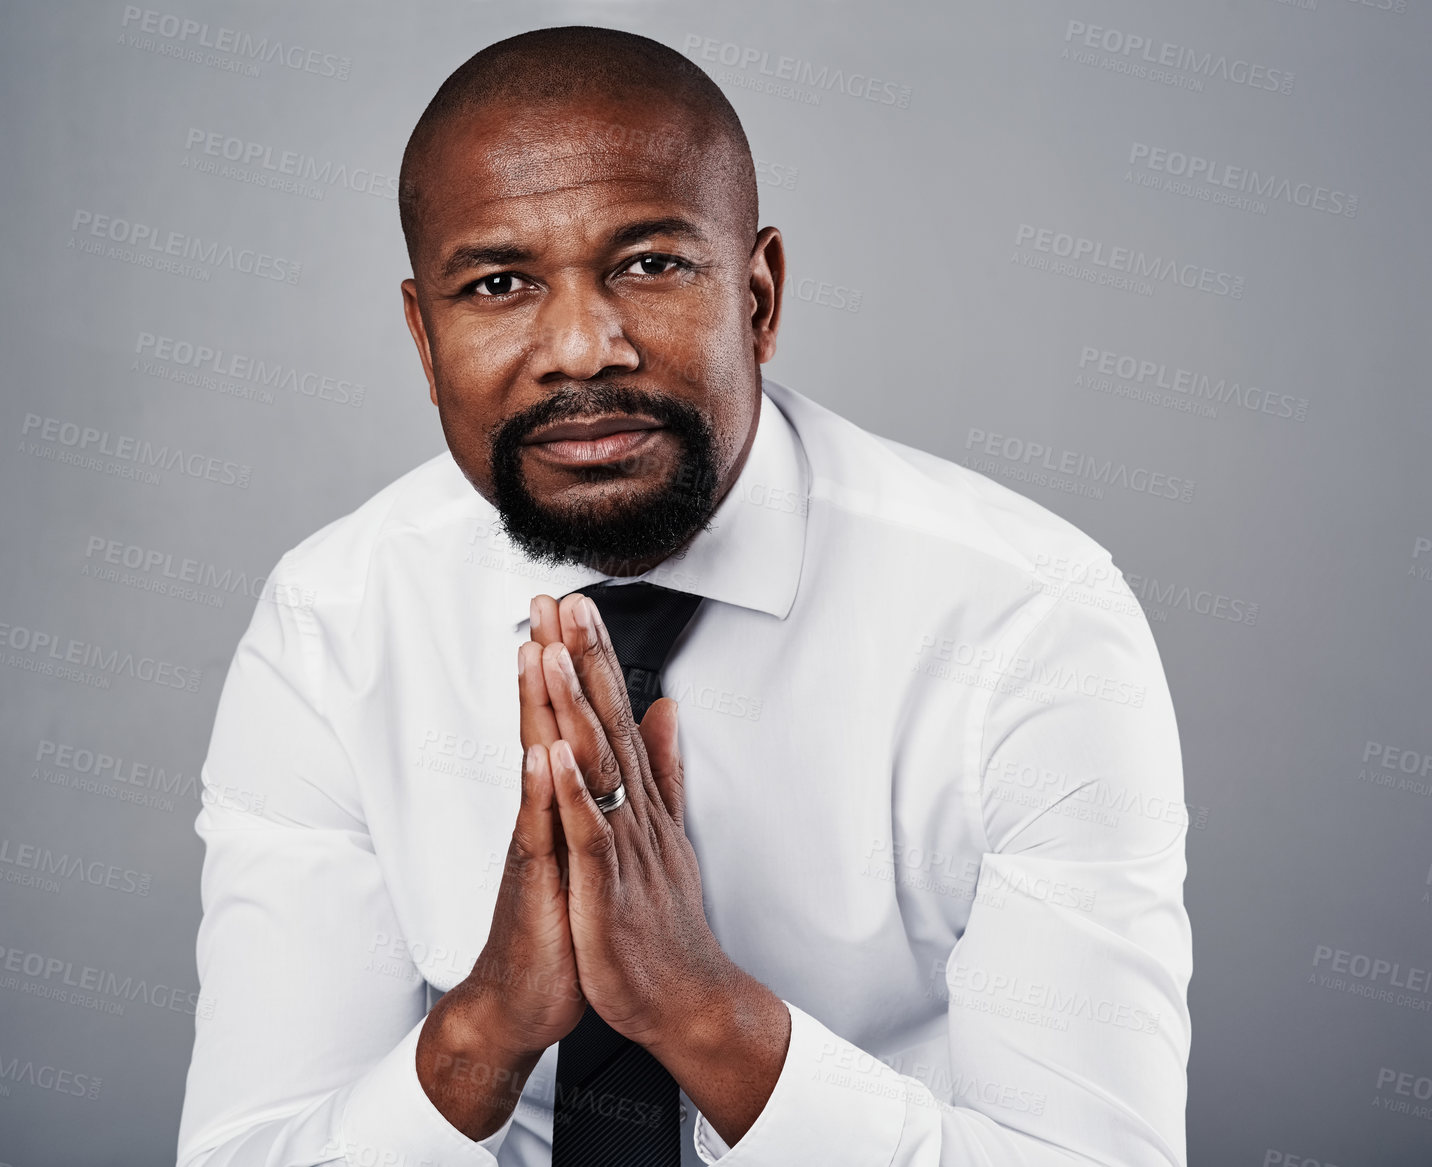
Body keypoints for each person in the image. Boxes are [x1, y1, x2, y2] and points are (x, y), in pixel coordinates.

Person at [176, 25, 1191, 1167]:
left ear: (755, 297)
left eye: (650, 264)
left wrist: (700, 1012)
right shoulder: (335, 623)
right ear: (423, 336)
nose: (580, 348)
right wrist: (487, 1025)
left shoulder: (1026, 620)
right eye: (500, 284)